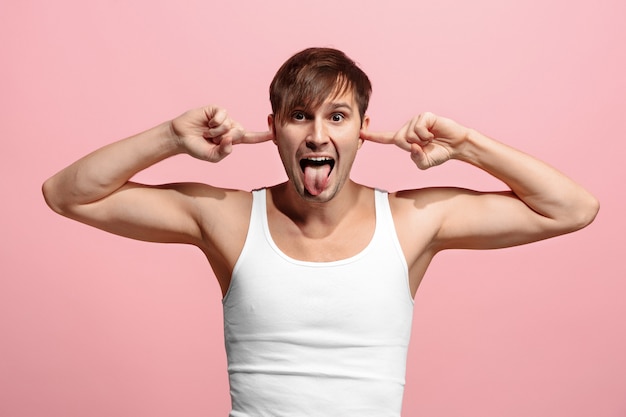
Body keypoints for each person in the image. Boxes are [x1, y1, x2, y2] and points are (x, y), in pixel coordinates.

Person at [42, 47, 599, 416]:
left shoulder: (411, 222)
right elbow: (66, 194)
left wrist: (468, 146)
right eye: (299, 116)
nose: (316, 135)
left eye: (336, 117)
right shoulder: (229, 217)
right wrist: (169, 136)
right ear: (273, 130)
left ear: (363, 130)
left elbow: (571, 208)